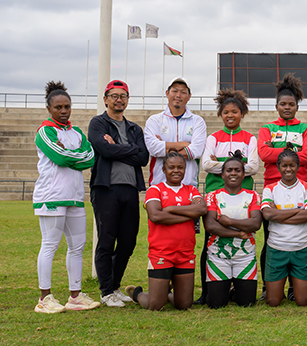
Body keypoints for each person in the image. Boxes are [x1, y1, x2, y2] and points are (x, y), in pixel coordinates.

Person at [33, 81, 99, 313]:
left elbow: (90, 157)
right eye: (58, 107)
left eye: (67, 107)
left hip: (74, 197)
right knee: (50, 245)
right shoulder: (45, 131)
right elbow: (60, 158)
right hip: (51, 197)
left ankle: (75, 296)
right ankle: (45, 298)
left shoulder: (77, 132)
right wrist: (74, 155)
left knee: (77, 247)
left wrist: (70, 153)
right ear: (49, 109)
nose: (63, 111)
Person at [88, 79, 149, 307]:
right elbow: (103, 148)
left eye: (123, 95)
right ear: (105, 99)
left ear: (127, 100)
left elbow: (143, 158)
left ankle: (115, 285)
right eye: (114, 95)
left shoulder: (134, 128)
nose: (119, 99)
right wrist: (127, 149)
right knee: (107, 239)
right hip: (106, 189)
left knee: (128, 242)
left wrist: (118, 148)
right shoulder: (98, 123)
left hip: (130, 189)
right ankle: (106, 291)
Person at [257, 74, 307, 300]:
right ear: (277, 106)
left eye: (291, 104)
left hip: (300, 185)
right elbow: (263, 153)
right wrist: (291, 153)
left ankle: (295, 287)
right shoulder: (267, 127)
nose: (287, 107)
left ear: (297, 106)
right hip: (273, 185)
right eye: (283, 104)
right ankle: (268, 286)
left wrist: (278, 151)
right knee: (271, 237)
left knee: (298, 234)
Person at [196, 88, 259, 305]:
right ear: (220, 114)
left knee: (243, 233)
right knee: (210, 242)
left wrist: (221, 162)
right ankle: (207, 291)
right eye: (225, 112)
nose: (230, 115)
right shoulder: (213, 137)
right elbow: (205, 164)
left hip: (243, 195)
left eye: (234, 111)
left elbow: (254, 167)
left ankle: (240, 283)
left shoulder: (250, 138)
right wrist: (236, 163)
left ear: (242, 113)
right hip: (216, 193)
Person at [126, 151, 207, 310]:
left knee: (184, 305)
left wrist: (169, 209)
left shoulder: (191, 190)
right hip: (162, 253)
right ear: (164, 170)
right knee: (155, 305)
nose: (176, 171)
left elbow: (202, 208)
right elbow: (156, 216)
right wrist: (188, 215)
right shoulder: (155, 190)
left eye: (180, 167)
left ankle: (167, 293)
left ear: (185, 169)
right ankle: (138, 294)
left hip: (185, 253)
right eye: (171, 167)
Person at [203, 151, 262, 308]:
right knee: (216, 304)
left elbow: (256, 223)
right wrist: (238, 233)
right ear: (222, 175)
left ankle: (234, 286)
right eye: (229, 170)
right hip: (218, 256)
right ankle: (224, 286)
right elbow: (210, 226)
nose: (233, 173)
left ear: (244, 174)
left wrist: (229, 221)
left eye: (238, 170)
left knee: (247, 303)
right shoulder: (212, 196)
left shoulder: (253, 195)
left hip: (245, 256)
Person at [261, 149, 307, 307]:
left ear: (298, 166)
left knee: (303, 301)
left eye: (292, 165)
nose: (288, 169)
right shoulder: (270, 189)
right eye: (284, 165)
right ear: (278, 167)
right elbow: (267, 215)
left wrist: (278, 213)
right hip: (276, 247)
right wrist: (298, 211)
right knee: (273, 301)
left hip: (301, 248)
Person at [144, 77, 207, 188]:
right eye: (175, 91)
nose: (178, 95)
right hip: (159, 184)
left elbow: (195, 151)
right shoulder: (154, 120)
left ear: (189, 96)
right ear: (167, 93)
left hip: (188, 185)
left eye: (183, 92)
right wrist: (184, 144)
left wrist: (165, 146)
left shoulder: (197, 121)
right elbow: (154, 148)